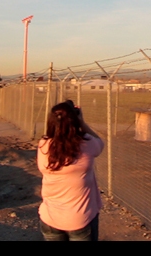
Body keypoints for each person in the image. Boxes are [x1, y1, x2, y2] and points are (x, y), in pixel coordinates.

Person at [36, 100, 104, 241]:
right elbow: (100, 143)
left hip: (50, 217)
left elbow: (57, 139)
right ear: (75, 121)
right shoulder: (86, 144)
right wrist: (82, 123)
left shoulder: (43, 145)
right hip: (80, 219)